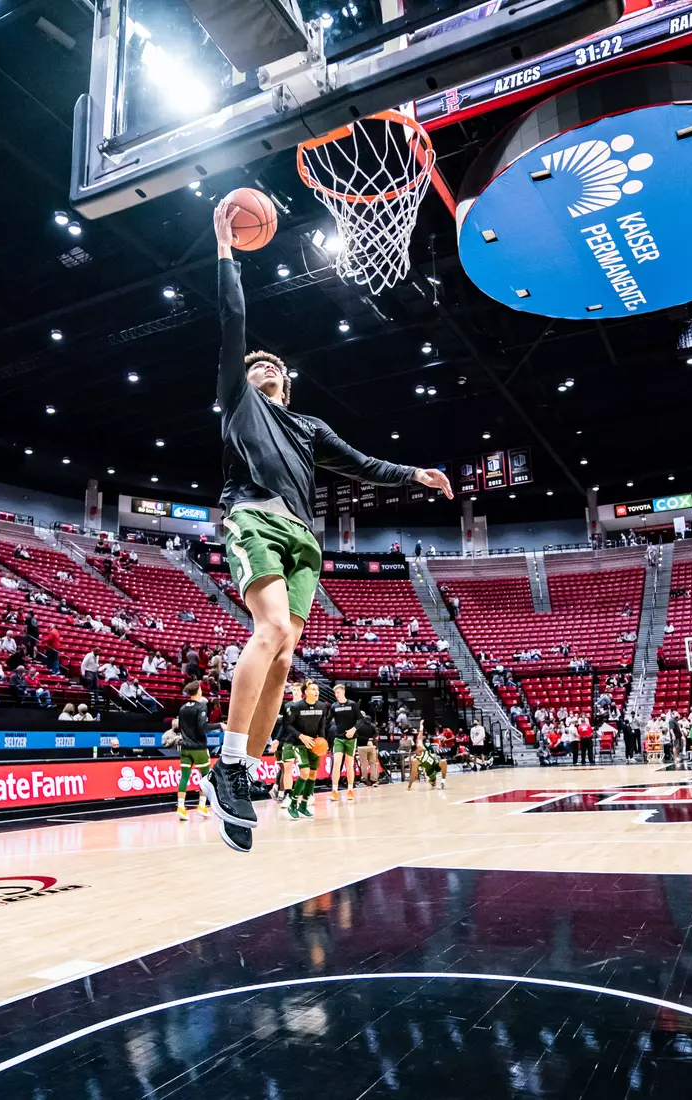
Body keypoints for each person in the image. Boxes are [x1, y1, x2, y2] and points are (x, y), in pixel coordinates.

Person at [197, 198, 452, 854]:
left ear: (287, 383)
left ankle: (247, 769)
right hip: (255, 516)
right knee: (272, 628)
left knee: (286, 654)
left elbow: (363, 464)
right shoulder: (237, 402)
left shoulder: (309, 428)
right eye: (253, 367)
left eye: (270, 368)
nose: (261, 369)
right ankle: (225, 761)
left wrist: (414, 474)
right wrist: (226, 251)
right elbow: (232, 320)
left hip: (305, 542)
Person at [278, 680, 328, 820]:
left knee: (312, 774)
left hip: (314, 744)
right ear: (305, 692)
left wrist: (323, 742)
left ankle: (303, 805)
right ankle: (293, 803)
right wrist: (301, 736)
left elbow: (322, 726)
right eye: (313, 689)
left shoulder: (322, 706)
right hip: (298, 743)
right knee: (304, 772)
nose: (316, 691)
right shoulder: (296, 707)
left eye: (317, 689)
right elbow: (287, 725)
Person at [174, 681, 213, 821]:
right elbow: (202, 728)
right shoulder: (201, 707)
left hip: (185, 747)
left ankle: (180, 807)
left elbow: (180, 727)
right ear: (198, 691)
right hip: (199, 747)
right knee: (205, 777)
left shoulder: (183, 708)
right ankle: (201, 806)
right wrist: (218, 725)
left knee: (184, 777)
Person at [325, 684, 361, 803]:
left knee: (349, 764)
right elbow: (327, 721)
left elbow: (361, 719)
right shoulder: (334, 706)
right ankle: (334, 790)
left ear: (343, 692)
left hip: (351, 738)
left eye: (338, 692)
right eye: (335, 693)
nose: (336, 695)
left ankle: (350, 789)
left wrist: (354, 729)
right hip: (338, 738)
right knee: (336, 763)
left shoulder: (352, 704)